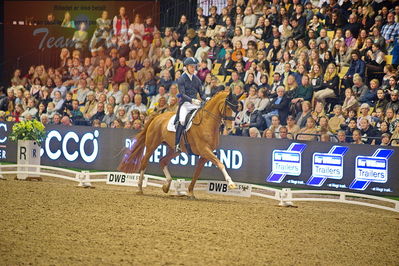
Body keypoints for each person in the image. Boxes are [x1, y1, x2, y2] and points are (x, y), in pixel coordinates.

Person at [175, 57, 204, 152]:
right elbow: (182, 94)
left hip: (196, 103)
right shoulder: (181, 79)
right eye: (191, 67)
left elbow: (202, 94)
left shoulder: (197, 79)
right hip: (185, 104)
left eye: (194, 67)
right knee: (182, 120)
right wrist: (192, 100)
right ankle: (177, 144)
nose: (193, 69)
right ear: (186, 67)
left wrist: (206, 98)